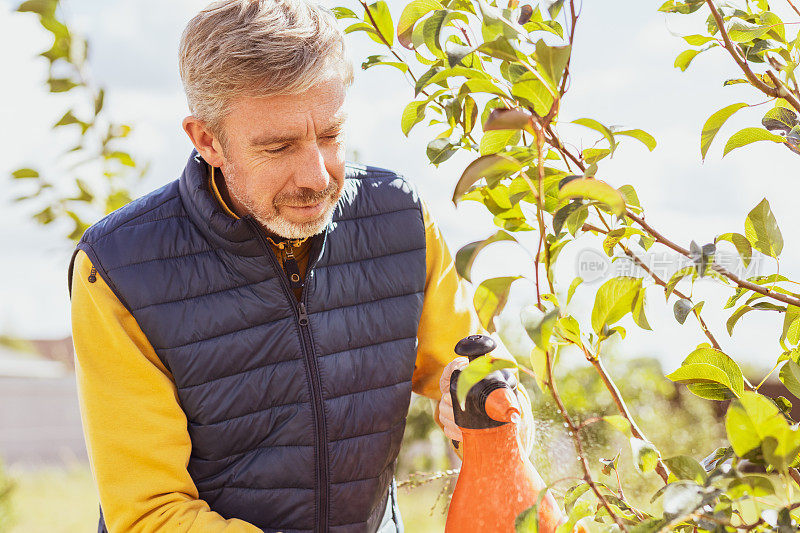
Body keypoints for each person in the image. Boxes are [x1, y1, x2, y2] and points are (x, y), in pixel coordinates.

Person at [68, 0, 534, 531]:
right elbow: (150, 515)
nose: (317, 175)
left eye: (331, 135)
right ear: (207, 140)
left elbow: (463, 364)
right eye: (279, 146)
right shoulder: (119, 270)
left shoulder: (400, 218)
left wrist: (482, 398)